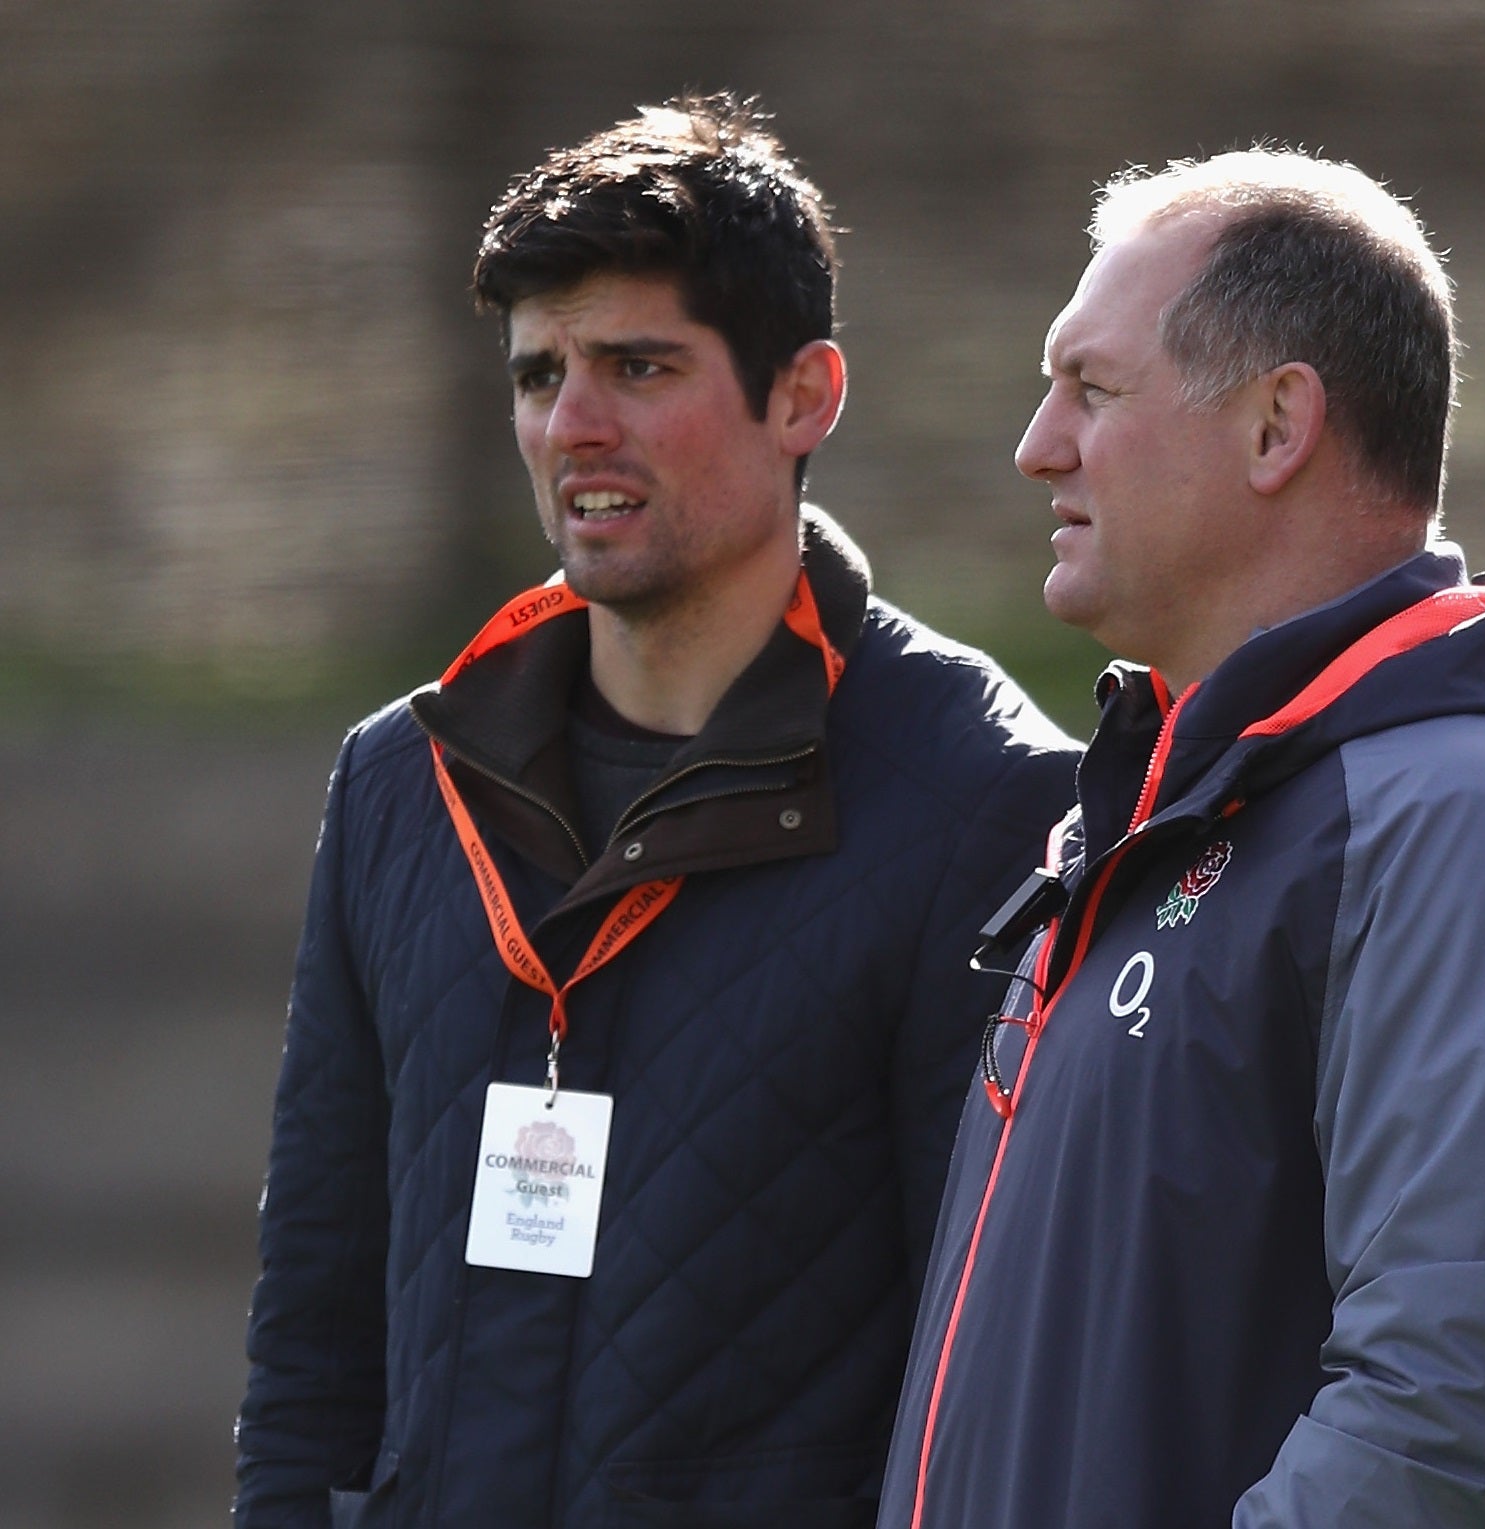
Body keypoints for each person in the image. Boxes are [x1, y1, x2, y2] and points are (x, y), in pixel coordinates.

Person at [234, 95, 1077, 1528]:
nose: (572, 424)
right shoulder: (402, 778)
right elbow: (314, 1310)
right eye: (538, 372)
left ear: (804, 394)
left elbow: (993, 1369)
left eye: (636, 365)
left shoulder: (985, 798)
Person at [878, 151, 1485, 1529]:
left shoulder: (1468, 812)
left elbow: (1460, 1410)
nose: (1036, 443)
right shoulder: (1153, 814)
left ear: (1277, 427)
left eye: (1090, 388)